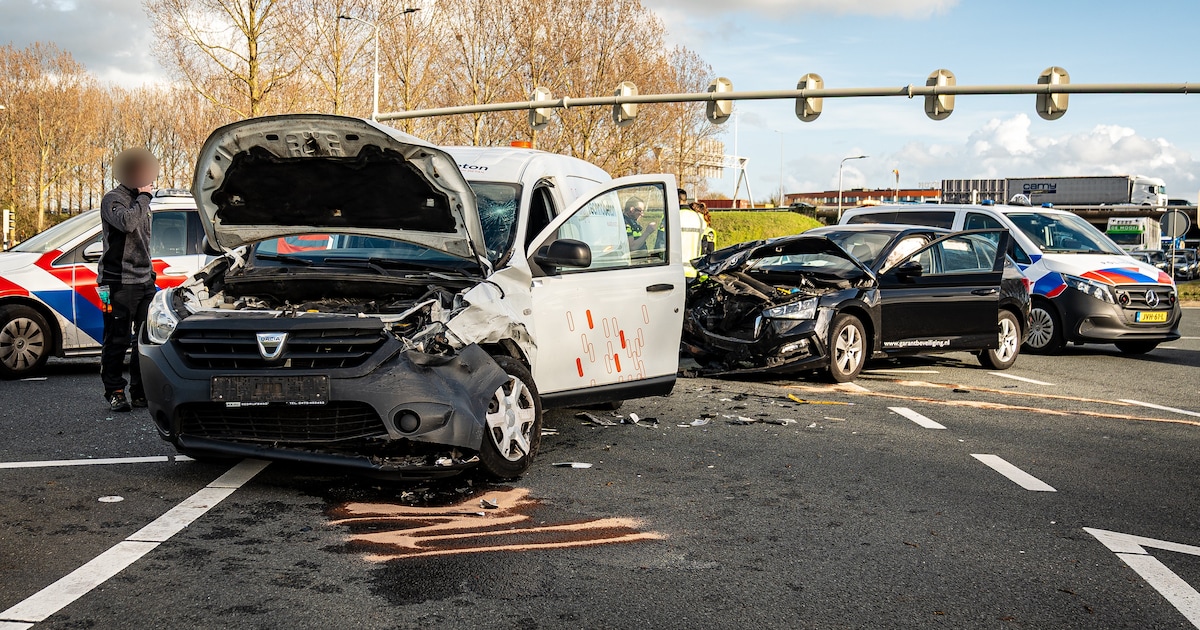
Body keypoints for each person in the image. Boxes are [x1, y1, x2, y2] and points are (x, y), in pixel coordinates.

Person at [99, 148, 159, 412]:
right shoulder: (114, 199)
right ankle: (115, 391)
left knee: (144, 339)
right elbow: (127, 224)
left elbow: (143, 241)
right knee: (117, 339)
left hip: (145, 281)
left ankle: (139, 391)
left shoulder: (142, 202)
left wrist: (151, 273)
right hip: (118, 282)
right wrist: (144, 196)